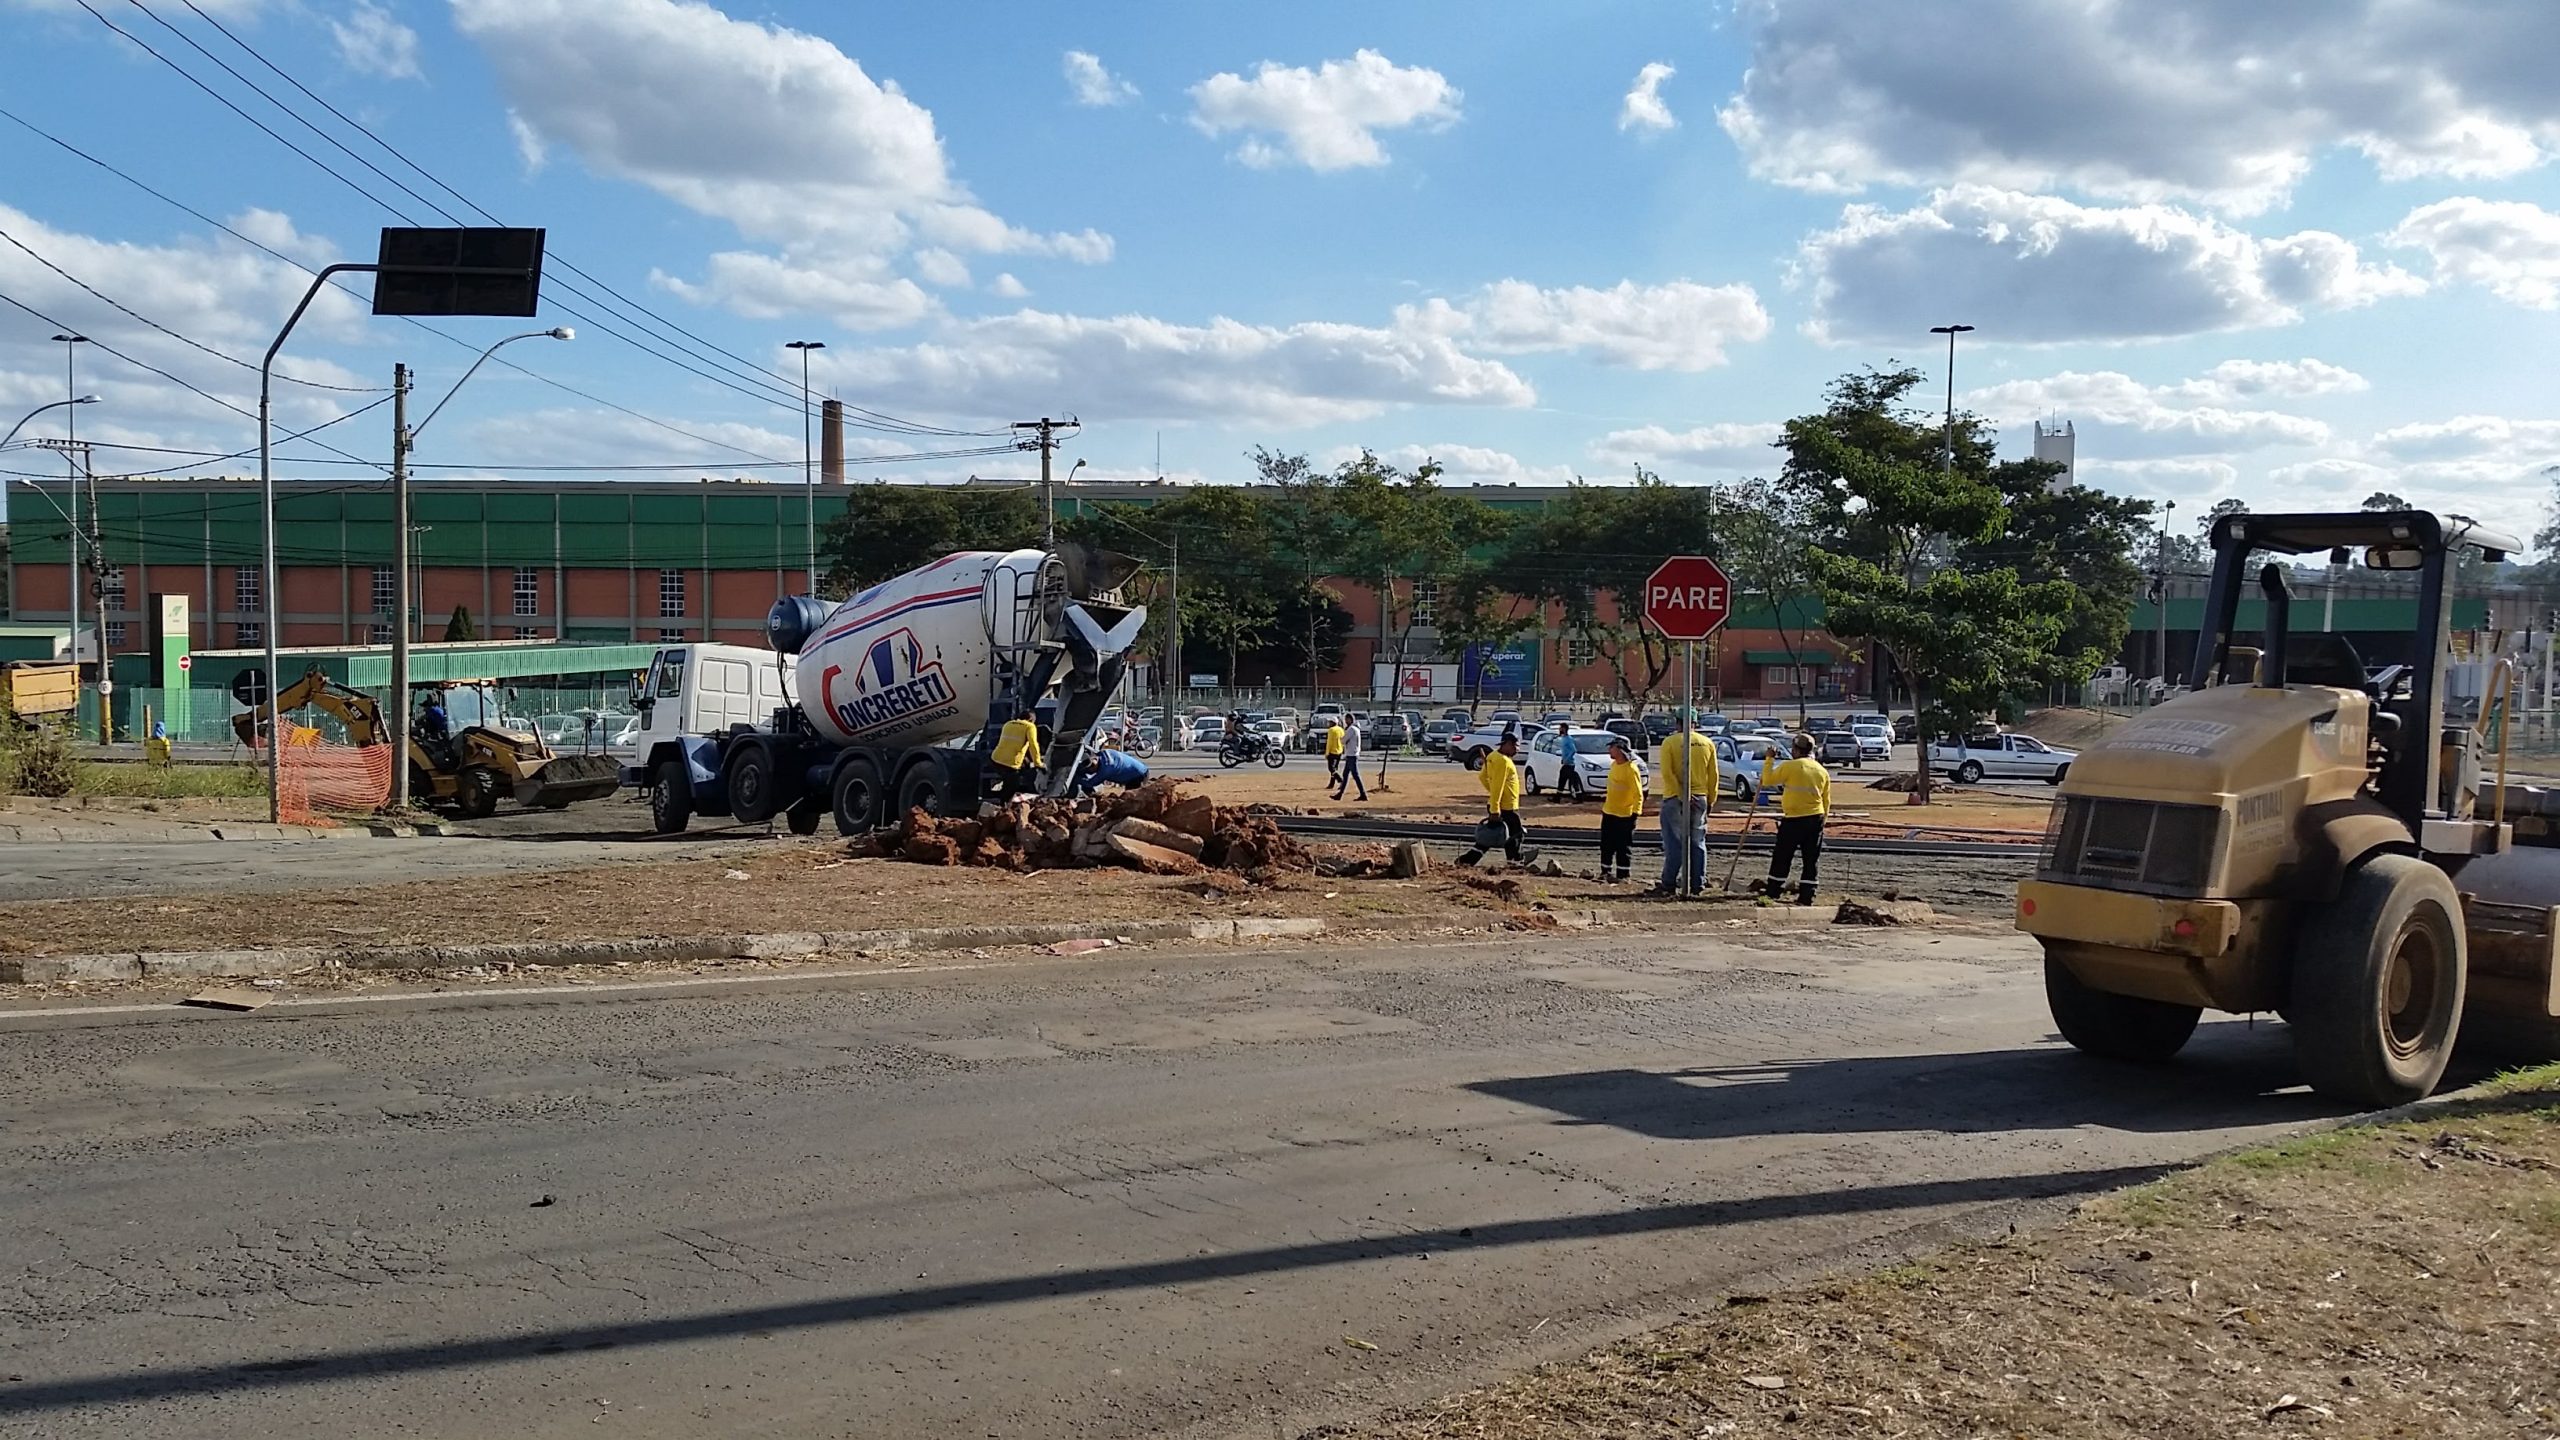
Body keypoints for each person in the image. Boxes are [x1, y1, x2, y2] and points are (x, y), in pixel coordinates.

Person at [1759, 732, 1833, 905]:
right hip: (1816, 818)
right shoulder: (1821, 771)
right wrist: (1824, 821)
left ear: (1796, 750)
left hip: (1794, 819)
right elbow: (1826, 800)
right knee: (1811, 858)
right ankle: (1808, 895)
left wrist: (1769, 759)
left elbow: (1767, 780)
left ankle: (1774, 891)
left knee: (1782, 856)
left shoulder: (1790, 766)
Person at [1653, 714, 1718, 896]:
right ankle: (1697, 884)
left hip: (1675, 798)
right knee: (1698, 842)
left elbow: (1667, 773)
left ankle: (1668, 884)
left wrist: (1682, 795)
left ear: (1677, 722)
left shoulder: (1670, 742)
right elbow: (1713, 775)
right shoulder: (1707, 743)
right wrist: (1711, 799)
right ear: (1695, 723)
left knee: (1674, 843)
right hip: (1700, 797)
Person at [1455, 732, 1525, 866]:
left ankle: (1466, 861)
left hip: (1499, 805)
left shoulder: (1493, 756)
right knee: (1516, 834)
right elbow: (1497, 786)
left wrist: (1493, 796)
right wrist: (1495, 808)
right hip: (1506, 807)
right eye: (1515, 746)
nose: (1517, 749)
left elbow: (1483, 777)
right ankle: (1514, 861)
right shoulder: (1503, 761)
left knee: (1490, 837)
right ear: (1507, 744)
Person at [1598, 736, 1644, 882]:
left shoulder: (1631, 769)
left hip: (1625, 815)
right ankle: (1605, 872)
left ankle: (1623, 875)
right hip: (1609, 811)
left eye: (1612, 747)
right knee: (1606, 844)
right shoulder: (1613, 765)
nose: (1609, 750)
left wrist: (1635, 813)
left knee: (1622, 846)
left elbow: (1638, 793)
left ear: (1620, 749)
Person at [988, 710, 1043, 799]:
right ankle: (1004, 806)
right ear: (1030, 719)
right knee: (1012, 786)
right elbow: (1033, 745)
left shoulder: (1008, 724)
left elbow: (1011, 744)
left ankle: (999, 796)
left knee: (1010, 778)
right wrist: (1038, 763)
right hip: (1010, 764)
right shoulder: (1029, 726)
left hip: (995, 759)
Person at [1075, 744, 1150, 796]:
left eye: (1090, 770)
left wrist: (1075, 779)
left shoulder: (1106, 769)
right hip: (1136, 771)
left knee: (1131, 800)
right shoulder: (1103, 753)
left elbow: (1090, 783)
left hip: (1139, 776)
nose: (1090, 772)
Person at [1331, 716, 1368, 801]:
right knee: (1345, 775)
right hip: (1352, 754)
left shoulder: (1351, 729)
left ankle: (1363, 794)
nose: (1346, 721)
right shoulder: (1356, 729)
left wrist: (1341, 737)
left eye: (1347, 720)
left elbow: (1343, 740)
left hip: (1351, 754)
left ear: (1350, 720)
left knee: (1355, 776)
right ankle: (1340, 794)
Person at [1323, 717, 1345, 783]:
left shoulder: (1331, 730)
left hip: (1332, 751)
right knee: (1335, 768)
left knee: (1331, 768)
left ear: (1333, 723)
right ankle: (1332, 783)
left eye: (1330, 722)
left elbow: (1329, 742)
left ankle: (1340, 779)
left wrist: (1327, 753)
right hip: (1339, 750)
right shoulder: (1341, 729)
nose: (1329, 723)